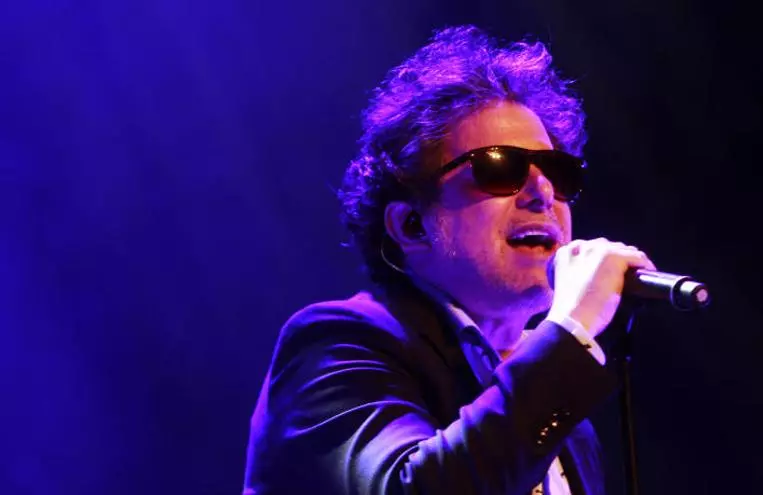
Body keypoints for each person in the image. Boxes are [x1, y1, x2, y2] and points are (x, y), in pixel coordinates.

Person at [242, 25, 655, 495]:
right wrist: (571, 329)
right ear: (411, 225)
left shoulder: (564, 415)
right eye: (500, 167)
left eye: (558, 173)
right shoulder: (336, 347)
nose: (542, 193)